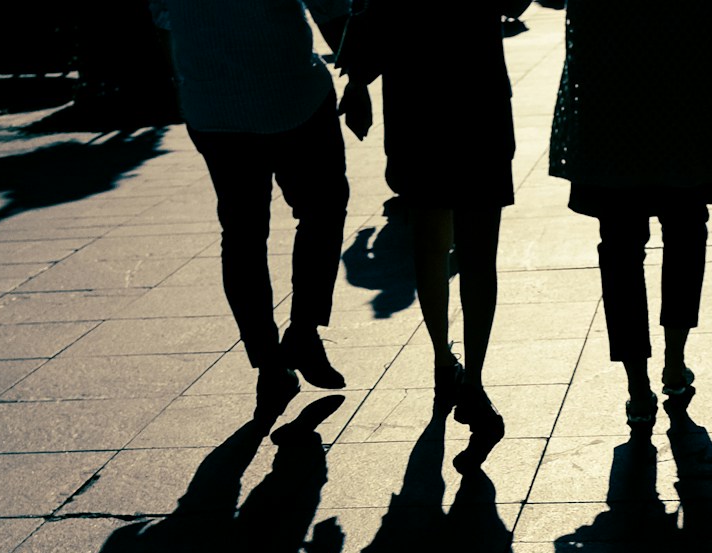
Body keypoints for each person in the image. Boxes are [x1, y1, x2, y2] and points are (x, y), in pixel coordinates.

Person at [548, 0, 712, 427]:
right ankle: (675, 363)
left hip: (611, 90)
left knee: (621, 245)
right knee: (685, 228)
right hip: (687, 85)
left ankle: (638, 389)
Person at [153, 0, 357, 429]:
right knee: (322, 208)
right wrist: (358, 76)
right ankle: (303, 332)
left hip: (212, 105)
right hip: (290, 94)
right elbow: (330, 6)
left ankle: (269, 365)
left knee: (242, 234)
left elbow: (163, 15)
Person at [339, 0, 531, 435]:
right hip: (478, 104)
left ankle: (444, 361)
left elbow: (370, 11)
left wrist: (356, 82)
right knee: (479, 257)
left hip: (416, 106)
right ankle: (475, 383)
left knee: (429, 247)